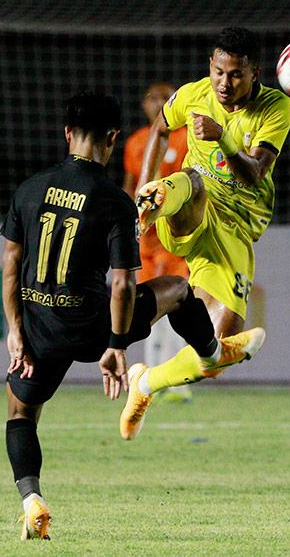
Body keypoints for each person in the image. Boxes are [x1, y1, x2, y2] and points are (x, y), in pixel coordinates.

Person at [0, 92, 261, 540]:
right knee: (177, 289)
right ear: (114, 139)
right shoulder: (113, 200)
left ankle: (31, 500)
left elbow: (10, 263)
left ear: (67, 134)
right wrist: (117, 346)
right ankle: (214, 351)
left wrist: (15, 331)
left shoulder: (31, 187)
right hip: (95, 328)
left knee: (21, 414)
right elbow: (121, 284)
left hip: (40, 327)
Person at [119, 26, 290, 437]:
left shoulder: (276, 108)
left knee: (214, 354)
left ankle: (144, 383)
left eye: (235, 74)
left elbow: (254, 174)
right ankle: (156, 196)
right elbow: (160, 131)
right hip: (190, 207)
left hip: (234, 231)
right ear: (209, 68)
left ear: (255, 73)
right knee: (192, 180)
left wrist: (225, 142)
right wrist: (146, 186)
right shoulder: (194, 94)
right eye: (218, 72)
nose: (224, 83)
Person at [123, 82, 193, 404]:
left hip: (176, 240)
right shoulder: (136, 142)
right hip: (146, 242)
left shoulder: (185, 137)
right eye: (153, 98)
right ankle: (152, 378)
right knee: (147, 307)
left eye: (166, 98)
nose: (159, 103)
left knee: (179, 305)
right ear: (144, 104)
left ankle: (177, 381)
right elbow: (129, 186)